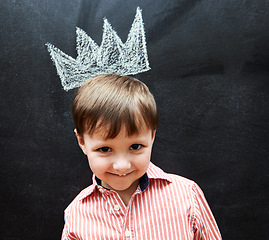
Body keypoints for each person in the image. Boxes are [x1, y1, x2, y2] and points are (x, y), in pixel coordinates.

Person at [61, 74, 222, 240]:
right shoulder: (77, 214)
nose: (122, 165)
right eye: (104, 149)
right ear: (82, 142)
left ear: (152, 137)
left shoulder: (187, 195)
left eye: (135, 147)